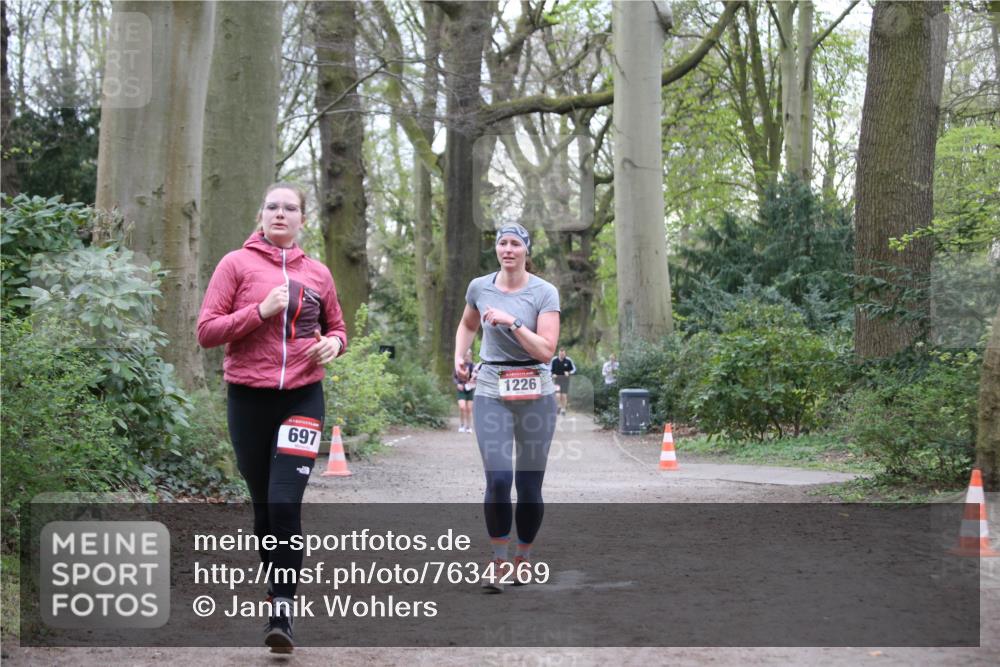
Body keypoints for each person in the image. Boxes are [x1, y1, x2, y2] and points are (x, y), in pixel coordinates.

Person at [197, 182, 347, 653]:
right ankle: (274, 589)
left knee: (284, 502)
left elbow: (338, 327)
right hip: (248, 399)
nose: (281, 214)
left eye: (291, 208)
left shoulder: (319, 273)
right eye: (272, 207)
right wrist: (259, 310)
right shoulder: (235, 265)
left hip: (303, 398)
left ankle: (282, 608)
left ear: (304, 219)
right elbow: (206, 331)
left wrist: (334, 345)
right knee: (264, 504)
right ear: (261, 215)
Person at [454, 222, 559, 593]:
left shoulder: (544, 293)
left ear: (526, 250)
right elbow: (467, 324)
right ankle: (498, 560)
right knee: (499, 479)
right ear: (496, 249)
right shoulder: (479, 287)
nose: (508, 249)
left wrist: (512, 321)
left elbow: (546, 350)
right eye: (502, 243)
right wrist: (459, 354)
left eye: (516, 243)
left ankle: (523, 559)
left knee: (530, 486)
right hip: (490, 389)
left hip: (536, 390)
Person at [454, 349, 477, 433]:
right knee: (462, 407)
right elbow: (454, 377)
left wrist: (473, 381)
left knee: (469, 409)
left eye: (468, 355)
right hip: (461, 389)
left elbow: (476, 377)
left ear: (471, 355)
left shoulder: (473, 366)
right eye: (465, 355)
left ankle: (468, 427)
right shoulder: (459, 365)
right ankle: (462, 425)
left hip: (470, 389)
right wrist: (457, 384)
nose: (467, 357)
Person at [550, 348, 576, 415]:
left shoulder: (568, 360)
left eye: (563, 354)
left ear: (565, 354)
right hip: (557, 380)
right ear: (558, 353)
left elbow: (574, 369)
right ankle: (559, 406)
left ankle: (563, 409)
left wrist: (569, 373)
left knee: (564, 395)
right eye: (560, 354)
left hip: (565, 381)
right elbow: (549, 370)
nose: (562, 355)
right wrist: (552, 374)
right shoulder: (554, 360)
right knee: (557, 395)